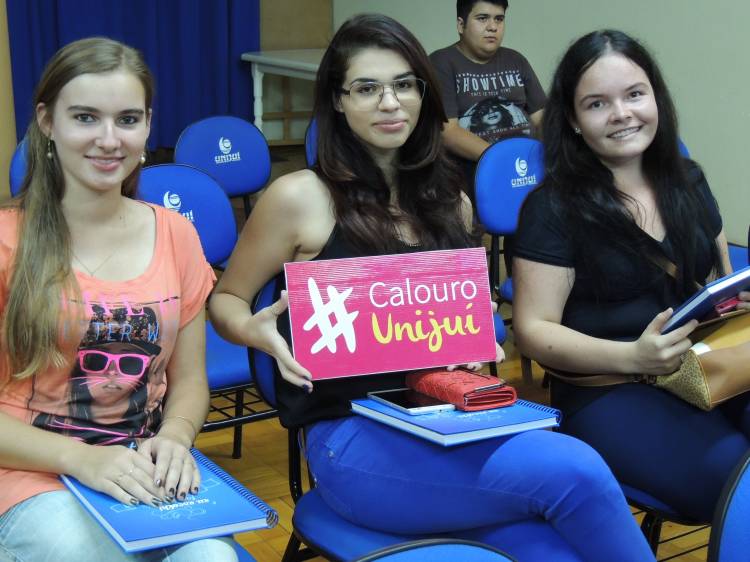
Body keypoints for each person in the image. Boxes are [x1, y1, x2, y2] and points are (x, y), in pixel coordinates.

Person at [209, 14, 654, 562]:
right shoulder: (299, 197)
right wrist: (253, 331)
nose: (389, 102)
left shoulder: (453, 201)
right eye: (366, 88)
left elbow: (454, 330)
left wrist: (475, 337)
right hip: (350, 436)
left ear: (423, 92)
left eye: (403, 84)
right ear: (338, 101)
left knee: (552, 549)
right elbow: (226, 300)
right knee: (576, 469)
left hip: (447, 420)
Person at [0, 38, 237, 562]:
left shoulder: (176, 234)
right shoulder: (7, 240)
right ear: (47, 121)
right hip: (28, 468)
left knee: (212, 557)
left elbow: (189, 381)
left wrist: (175, 437)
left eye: (127, 119)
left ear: (148, 126)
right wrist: (82, 459)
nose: (109, 140)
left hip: (137, 463)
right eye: (85, 117)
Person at [513, 29, 750, 524]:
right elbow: (533, 331)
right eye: (597, 104)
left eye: (635, 95)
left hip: (701, 365)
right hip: (608, 385)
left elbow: (717, 278)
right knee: (735, 480)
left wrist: (734, 301)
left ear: (655, 98)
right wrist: (633, 357)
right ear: (573, 120)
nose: (621, 114)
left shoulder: (689, 180)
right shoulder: (552, 207)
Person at [430, 1, 546, 172]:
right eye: (482, 18)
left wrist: (546, 156)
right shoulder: (441, 63)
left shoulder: (516, 60)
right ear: (461, 25)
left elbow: (542, 119)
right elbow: (448, 132)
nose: (493, 27)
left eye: (499, 19)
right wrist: (504, 158)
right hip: (475, 171)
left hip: (527, 163)